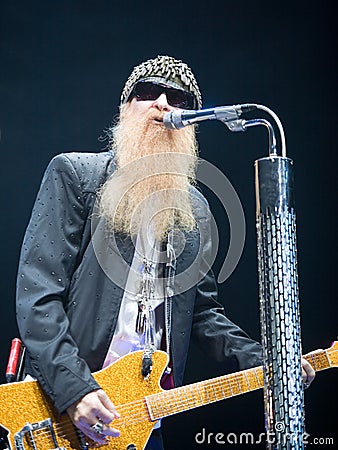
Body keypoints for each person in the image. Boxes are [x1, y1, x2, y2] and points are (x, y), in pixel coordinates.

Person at [16, 55, 315, 449]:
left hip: (141, 419)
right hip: (61, 408)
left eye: (178, 99)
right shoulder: (76, 174)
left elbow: (203, 314)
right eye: (147, 94)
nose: (162, 104)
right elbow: (38, 297)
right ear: (125, 108)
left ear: (191, 123)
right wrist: (75, 391)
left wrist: (271, 362)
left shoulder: (196, 210)